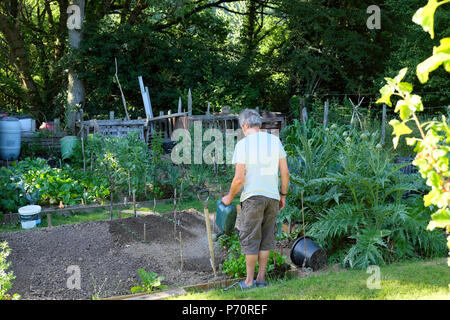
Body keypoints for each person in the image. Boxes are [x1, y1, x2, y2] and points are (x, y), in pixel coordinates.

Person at [222, 108, 289, 290]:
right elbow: (285, 173)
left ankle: (249, 282)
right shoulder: (275, 141)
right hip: (272, 198)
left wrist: (229, 196)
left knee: (251, 239)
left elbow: (239, 179)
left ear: (244, 125)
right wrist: (282, 195)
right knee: (266, 238)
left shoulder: (243, 145)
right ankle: (261, 278)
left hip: (253, 199)